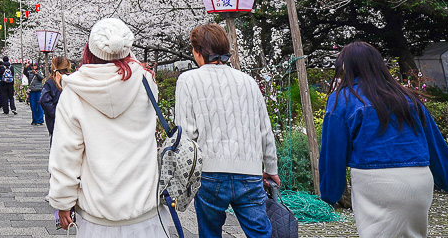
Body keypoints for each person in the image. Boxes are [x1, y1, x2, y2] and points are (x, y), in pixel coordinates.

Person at [319, 41, 448, 238]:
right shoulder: (407, 97)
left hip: (375, 182)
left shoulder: (343, 99)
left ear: (345, 67)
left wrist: (329, 194)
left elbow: (333, 152)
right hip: (418, 181)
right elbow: (435, 143)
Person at [49, 17, 165, 236]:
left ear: (91, 50)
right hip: (145, 207)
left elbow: (66, 152)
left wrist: (63, 200)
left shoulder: (74, 91)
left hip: (97, 213)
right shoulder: (146, 83)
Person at [174, 23, 279, 238]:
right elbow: (264, 130)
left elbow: (186, 135)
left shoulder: (188, 80)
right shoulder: (248, 82)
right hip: (249, 171)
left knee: (210, 233)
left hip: (210, 172)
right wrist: (271, 167)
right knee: (260, 233)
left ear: (198, 52)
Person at [40, 55, 72, 139]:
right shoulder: (73, 80)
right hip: (72, 119)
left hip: (55, 121)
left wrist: (55, 113)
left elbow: (44, 100)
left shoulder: (51, 82)